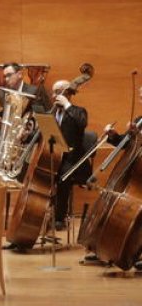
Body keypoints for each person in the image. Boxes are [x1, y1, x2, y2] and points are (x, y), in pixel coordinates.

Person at [50, 79, 90, 230]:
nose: (54, 96)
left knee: (62, 176)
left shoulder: (79, 111)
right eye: (53, 92)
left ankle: (60, 217)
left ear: (67, 93)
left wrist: (67, 105)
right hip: (54, 156)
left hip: (73, 160)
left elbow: (82, 123)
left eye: (57, 92)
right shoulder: (52, 112)